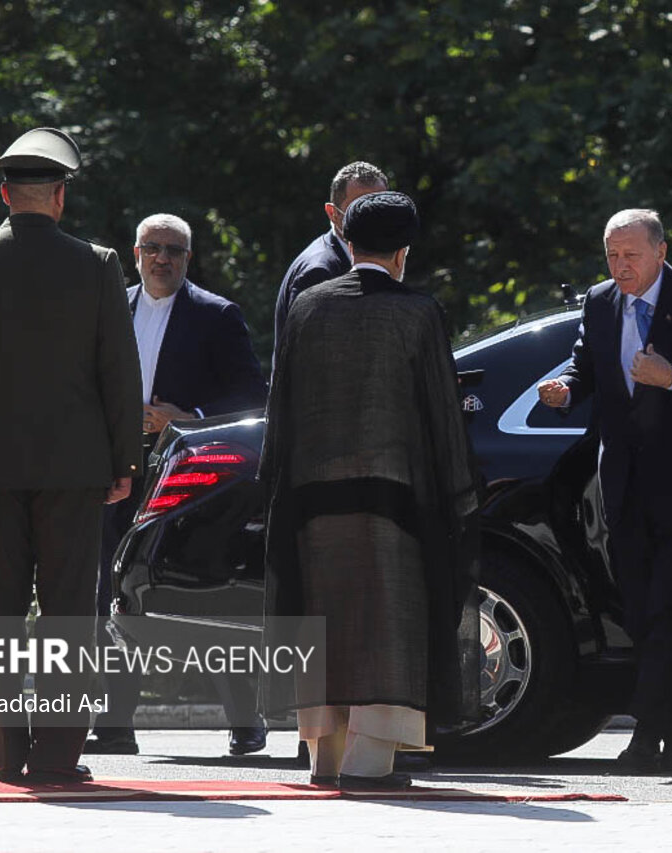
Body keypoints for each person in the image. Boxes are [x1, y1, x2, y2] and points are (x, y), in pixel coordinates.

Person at [0, 127, 141, 784]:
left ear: (3, 193)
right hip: (75, 467)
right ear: (59, 198)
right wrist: (123, 461)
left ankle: (3, 753)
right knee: (69, 609)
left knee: (1, 611)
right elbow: (119, 372)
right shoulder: (98, 263)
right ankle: (56, 755)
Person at [260, 191, 480, 789]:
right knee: (387, 624)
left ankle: (322, 763)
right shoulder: (417, 313)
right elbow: (440, 413)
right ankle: (368, 765)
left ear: (348, 244)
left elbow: (281, 406)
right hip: (392, 502)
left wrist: (275, 487)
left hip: (310, 498)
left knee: (324, 623)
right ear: (403, 253)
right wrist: (459, 496)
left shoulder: (307, 307)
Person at [538, 209, 672, 771]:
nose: (620, 267)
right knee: (642, 608)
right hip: (621, 480)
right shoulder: (599, 302)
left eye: (631, 256)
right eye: (612, 256)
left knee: (668, 603)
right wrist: (565, 389)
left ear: (661, 252)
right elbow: (585, 367)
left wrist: (669, 378)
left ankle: (651, 733)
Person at [83, 214, 270, 758]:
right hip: (113, 471)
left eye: (174, 250)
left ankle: (244, 721)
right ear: (135, 253)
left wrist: (188, 416)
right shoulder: (107, 307)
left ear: (189, 258)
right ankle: (115, 723)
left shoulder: (217, 316)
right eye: (152, 248)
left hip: (188, 474)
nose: (162, 258)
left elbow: (252, 398)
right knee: (109, 593)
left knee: (198, 592)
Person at [272, 161, 388, 345]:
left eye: (380, 208)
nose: (372, 219)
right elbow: (310, 360)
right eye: (359, 209)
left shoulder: (375, 259)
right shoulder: (318, 273)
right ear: (333, 213)